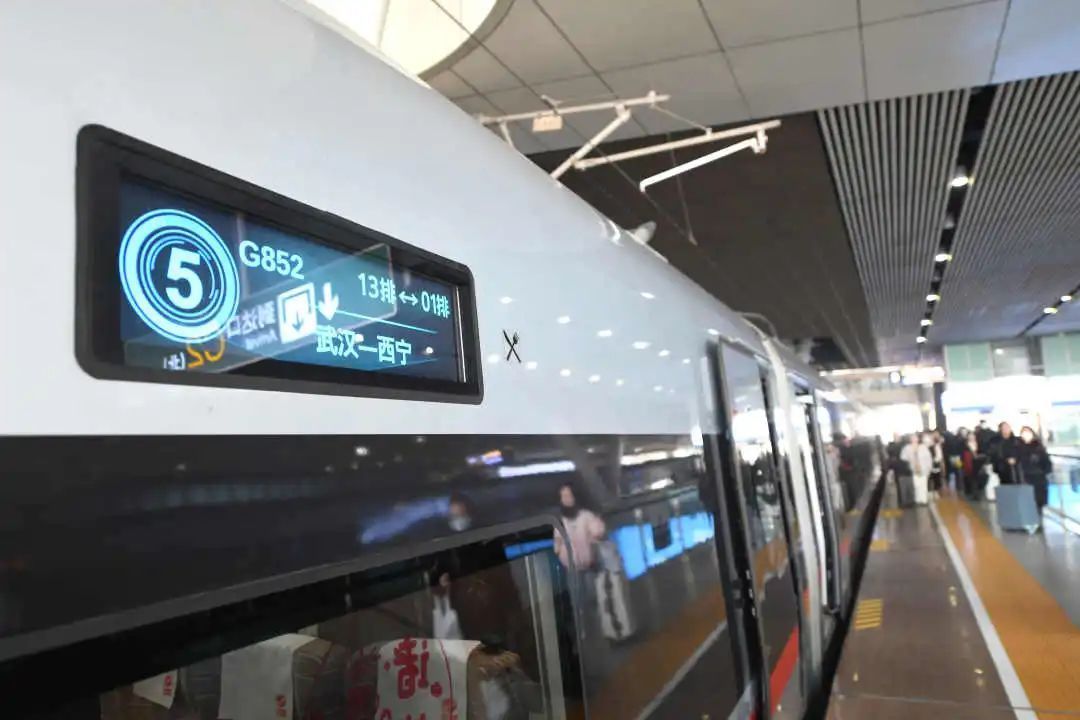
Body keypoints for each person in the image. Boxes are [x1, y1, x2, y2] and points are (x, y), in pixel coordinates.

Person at [1018, 426, 1052, 520]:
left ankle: (1038, 519)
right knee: (1028, 500)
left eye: (1028, 432)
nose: (1026, 434)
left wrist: (1043, 471)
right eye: (1023, 432)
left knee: (1039, 500)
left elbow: (1046, 462)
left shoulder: (1038, 447)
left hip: (1039, 478)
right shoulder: (1018, 447)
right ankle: (1031, 520)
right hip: (1025, 478)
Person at [900, 433, 933, 505]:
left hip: (924, 468)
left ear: (918, 439)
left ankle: (923, 500)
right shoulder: (907, 448)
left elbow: (929, 458)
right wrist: (910, 459)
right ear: (910, 439)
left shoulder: (923, 447)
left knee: (923, 484)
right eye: (912, 438)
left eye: (915, 438)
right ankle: (917, 500)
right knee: (916, 485)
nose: (914, 439)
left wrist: (929, 468)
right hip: (913, 469)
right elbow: (903, 457)